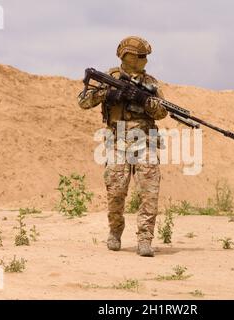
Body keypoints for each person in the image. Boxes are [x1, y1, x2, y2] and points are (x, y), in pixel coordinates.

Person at [78, 36, 168, 257]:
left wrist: (146, 102)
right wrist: (107, 93)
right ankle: (115, 232)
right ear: (128, 57)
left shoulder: (151, 83)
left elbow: (163, 112)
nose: (145, 60)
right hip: (116, 141)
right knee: (116, 191)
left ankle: (145, 239)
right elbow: (83, 101)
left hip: (145, 142)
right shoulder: (109, 78)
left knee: (149, 192)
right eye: (141, 56)